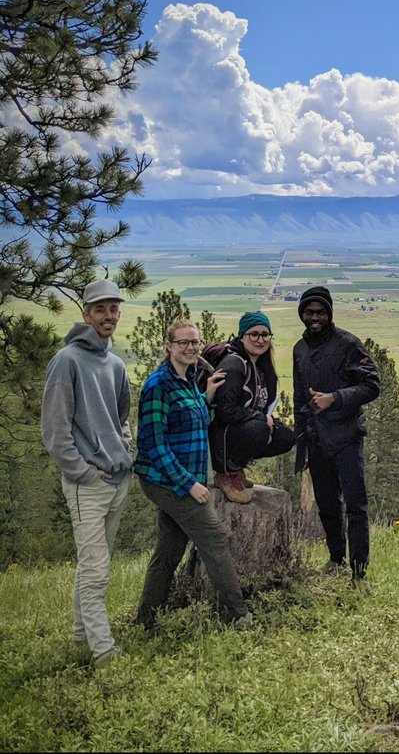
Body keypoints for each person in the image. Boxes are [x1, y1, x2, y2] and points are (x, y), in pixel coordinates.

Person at [41, 278, 135, 668]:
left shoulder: (115, 363)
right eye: (100, 309)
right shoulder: (67, 361)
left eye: (114, 309)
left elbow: (122, 417)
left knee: (93, 562)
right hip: (88, 485)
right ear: (86, 314)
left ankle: (81, 634)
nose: (108, 316)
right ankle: (103, 652)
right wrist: (83, 472)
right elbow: (54, 431)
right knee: (96, 570)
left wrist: (125, 450)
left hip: (118, 479)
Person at [134, 319, 252, 629]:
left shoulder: (187, 379)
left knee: (169, 550)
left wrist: (207, 397)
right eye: (183, 342)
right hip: (166, 480)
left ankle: (146, 618)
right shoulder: (158, 385)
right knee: (215, 539)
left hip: (186, 477)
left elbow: (192, 418)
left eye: (194, 342)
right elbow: (154, 444)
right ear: (168, 346)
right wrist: (189, 485)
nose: (190, 348)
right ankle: (238, 616)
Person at [293, 286, 381, 583]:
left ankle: (359, 573)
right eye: (309, 312)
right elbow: (299, 397)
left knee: (356, 506)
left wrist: (335, 398)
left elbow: (372, 386)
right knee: (327, 505)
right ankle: (335, 560)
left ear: (329, 313)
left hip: (346, 436)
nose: (315, 318)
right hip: (316, 438)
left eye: (320, 312)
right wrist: (300, 440)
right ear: (302, 314)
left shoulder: (348, 344)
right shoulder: (299, 349)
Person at [208, 311, 296, 504]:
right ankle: (226, 473)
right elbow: (225, 411)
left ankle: (237, 467)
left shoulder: (261, 367)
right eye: (253, 334)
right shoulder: (234, 365)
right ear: (242, 336)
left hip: (242, 428)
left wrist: (267, 420)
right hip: (221, 435)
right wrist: (261, 419)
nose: (260, 340)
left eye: (265, 334)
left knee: (286, 437)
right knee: (259, 429)